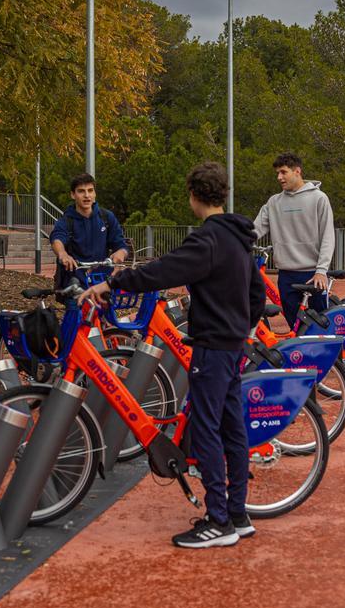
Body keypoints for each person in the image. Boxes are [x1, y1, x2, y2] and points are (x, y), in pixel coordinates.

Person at [79, 162, 265, 548]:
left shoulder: (208, 240)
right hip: (231, 346)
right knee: (232, 429)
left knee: (207, 430)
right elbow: (256, 295)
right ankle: (237, 514)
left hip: (211, 346)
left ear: (193, 197)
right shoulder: (238, 239)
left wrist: (111, 284)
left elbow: (161, 271)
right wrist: (241, 331)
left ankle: (218, 522)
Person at [253, 152, 335, 329]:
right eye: (277, 173)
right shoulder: (274, 202)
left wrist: (321, 270)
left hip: (312, 275)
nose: (279, 177)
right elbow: (254, 230)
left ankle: (332, 357)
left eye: (283, 172)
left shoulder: (319, 198)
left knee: (320, 329)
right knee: (295, 328)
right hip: (286, 276)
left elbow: (328, 237)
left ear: (297, 171)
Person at [49, 173, 129, 289]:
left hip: (102, 282)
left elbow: (120, 244)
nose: (87, 195)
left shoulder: (106, 217)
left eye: (90, 190)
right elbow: (57, 238)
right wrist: (63, 254)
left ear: (95, 193)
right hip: (75, 283)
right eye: (81, 191)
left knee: (108, 307)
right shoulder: (66, 221)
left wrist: (121, 252)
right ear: (73, 195)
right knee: (75, 307)